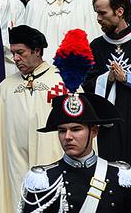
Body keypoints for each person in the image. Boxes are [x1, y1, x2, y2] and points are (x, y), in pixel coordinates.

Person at [19, 30, 131, 212]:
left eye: (76, 129)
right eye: (62, 130)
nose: (67, 136)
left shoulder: (120, 177)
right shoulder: (43, 180)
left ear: (94, 131)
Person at [0, 25, 66, 212]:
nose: (15, 58)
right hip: (12, 165)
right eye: (13, 53)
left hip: (49, 162)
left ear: (37, 51)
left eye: (20, 52)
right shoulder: (6, 87)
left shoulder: (61, 82)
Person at [83, 0, 131, 164]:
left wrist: (127, 78)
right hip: (108, 125)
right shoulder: (96, 46)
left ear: (119, 11)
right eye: (96, 13)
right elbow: (86, 84)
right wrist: (107, 78)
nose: (98, 18)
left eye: (103, 13)